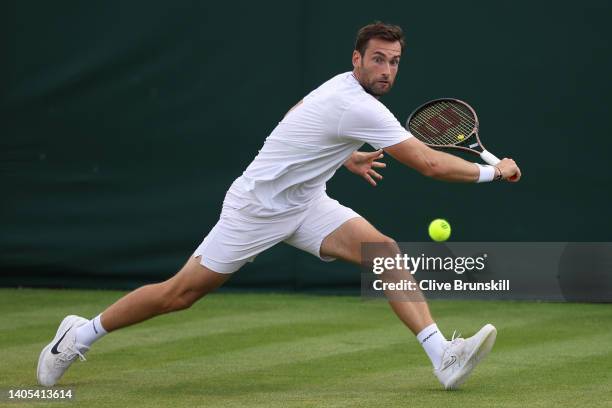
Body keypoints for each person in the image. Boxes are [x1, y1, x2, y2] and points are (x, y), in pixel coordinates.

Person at [37, 22, 521, 390]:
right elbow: (429, 165)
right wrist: (492, 171)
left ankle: (442, 357)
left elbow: (297, 116)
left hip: (306, 203)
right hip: (256, 208)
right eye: (378, 59)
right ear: (357, 59)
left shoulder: (341, 91)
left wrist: (343, 154)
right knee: (179, 295)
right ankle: (79, 335)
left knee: (384, 252)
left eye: (394, 62)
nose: (387, 70)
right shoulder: (358, 104)